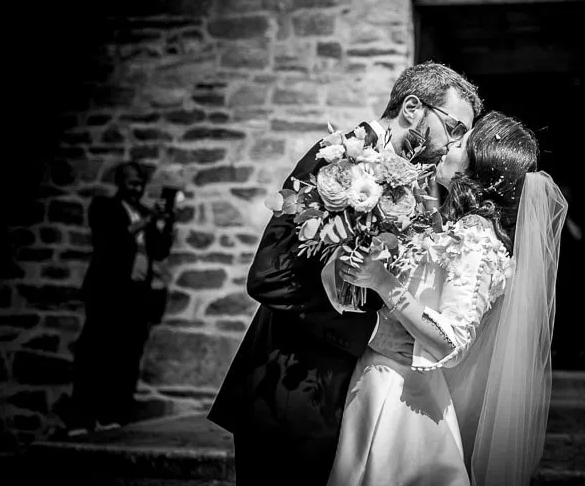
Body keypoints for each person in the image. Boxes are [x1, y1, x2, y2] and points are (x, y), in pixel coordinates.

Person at [207, 62, 484, 485]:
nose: (456, 143)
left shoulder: (414, 188)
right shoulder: (336, 161)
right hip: (291, 388)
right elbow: (268, 276)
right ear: (412, 107)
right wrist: (371, 333)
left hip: (351, 398)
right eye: (454, 127)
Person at [329, 111, 569, 486]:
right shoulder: (462, 228)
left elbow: (452, 341)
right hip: (384, 377)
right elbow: (438, 277)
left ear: (476, 167)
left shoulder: (477, 239)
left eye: (459, 144)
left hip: (405, 399)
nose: (447, 146)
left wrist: (383, 282)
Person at [63, 161, 175, 435]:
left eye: (140, 182)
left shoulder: (144, 213)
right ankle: (81, 419)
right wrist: (147, 222)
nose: (137, 186)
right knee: (95, 355)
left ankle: (111, 416)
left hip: (136, 296)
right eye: (131, 181)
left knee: (125, 356)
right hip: (108, 293)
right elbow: (110, 241)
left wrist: (165, 221)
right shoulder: (105, 208)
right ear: (120, 182)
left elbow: (159, 252)